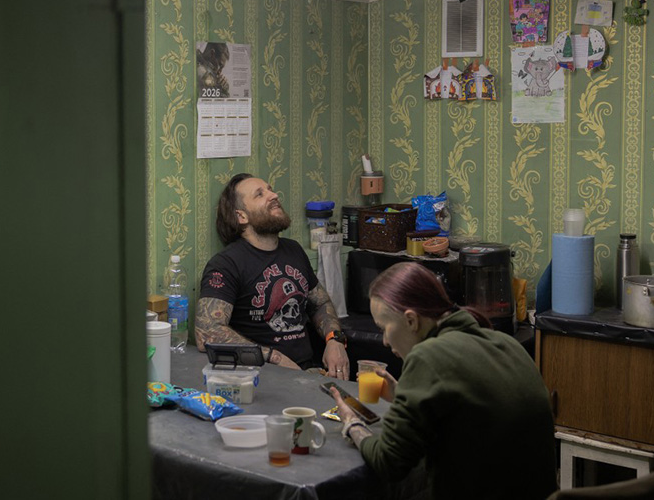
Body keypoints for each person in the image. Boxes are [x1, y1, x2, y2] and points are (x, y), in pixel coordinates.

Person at [331, 262, 556, 500]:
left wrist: (353, 424)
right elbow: (469, 416)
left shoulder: (428, 356)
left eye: (384, 328)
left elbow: (389, 462)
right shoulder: (504, 343)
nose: (385, 341)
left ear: (411, 321)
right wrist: (406, 395)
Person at [194, 173, 350, 378]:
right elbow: (207, 330)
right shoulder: (226, 264)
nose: (274, 195)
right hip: (261, 376)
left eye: (270, 189)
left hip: (309, 374)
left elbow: (319, 303)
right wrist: (274, 358)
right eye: (260, 194)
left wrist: (334, 339)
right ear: (242, 216)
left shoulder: (293, 250)